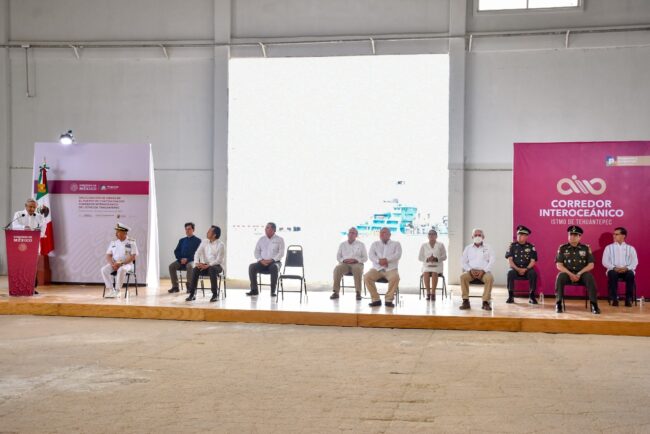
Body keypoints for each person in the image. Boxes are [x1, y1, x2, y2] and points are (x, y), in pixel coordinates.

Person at [555, 225, 600, 314]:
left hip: (582, 274)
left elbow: (591, 265)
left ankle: (594, 304)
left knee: (589, 277)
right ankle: (558, 303)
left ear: (580, 237)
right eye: (570, 234)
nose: (572, 237)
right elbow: (559, 265)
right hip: (568, 274)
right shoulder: (562, 248)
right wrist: (571, 274)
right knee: (560, 276)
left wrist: (579, 273)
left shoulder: (586, 248)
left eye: (575, 235)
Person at [11, 198, 49, 294]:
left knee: (32, 267)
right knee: (21, 266)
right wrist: (24, 228)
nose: (32, 209)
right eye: (30, 207)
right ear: (25, 206)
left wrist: (43, 221)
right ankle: (19, 287)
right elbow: (14, 226)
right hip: (20, 245)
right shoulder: (19, 214)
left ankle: (31, 288)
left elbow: (42, 232)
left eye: (34, 207)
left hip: (34, 245)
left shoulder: (39, 217)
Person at [186, 225, 225, 302]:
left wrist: (208, 265)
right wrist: (197, 263)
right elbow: (197, 253)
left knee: (212, 269)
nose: (207, 232)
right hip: (205, 265)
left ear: (214, 235)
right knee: (195, 269)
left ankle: (215, 295)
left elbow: (219, 260)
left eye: (209, 231)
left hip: (217, 266)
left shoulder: (221, 245)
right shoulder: (204, 241)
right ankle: (192, 294)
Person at [364, 227, 402, 308]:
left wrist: (386, 260)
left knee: (395, 277)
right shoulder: (375, 244)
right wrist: (379, 261)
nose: (381, 234)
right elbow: (371, 255)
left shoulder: (396, 244)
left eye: (384, 232)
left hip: (390, 269)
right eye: (380, 232)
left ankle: (388, 300)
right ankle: (376, 299)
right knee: (367, 276)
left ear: (389, 235)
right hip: (377, 269)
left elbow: (397, 255)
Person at [459, 228, 496, 311]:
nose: (477, 237)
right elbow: (463, 261)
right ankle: (465, 301)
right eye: (475, 235)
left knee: (490, 278)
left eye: (479, 235)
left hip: (484, 272)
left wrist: (484, 271)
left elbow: (492, 260)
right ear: (472, 237)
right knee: (463, 277)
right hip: (471, 272)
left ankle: (485, 302)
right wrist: (470, 270)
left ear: (483, 237)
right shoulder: (468, 248)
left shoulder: (488, 247)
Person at [602, 227, 638, 307]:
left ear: (623, 236)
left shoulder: (631, 248)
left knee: (631, 274)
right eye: (614, 234)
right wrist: (614, 268)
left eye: (616, 234)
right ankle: (614, 299)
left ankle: (628, 299)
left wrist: (627, 268)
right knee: (612, 274)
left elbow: (635, 262)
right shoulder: (608, 248)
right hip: (613, 269)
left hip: (626, 270)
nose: (614, 236)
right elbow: (604, 262)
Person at [247, 222, 285, 297]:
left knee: (274, 267)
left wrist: (272, 260)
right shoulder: (261, 239)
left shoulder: (280, 239)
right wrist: (261, 260)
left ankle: (273, 291)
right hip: (262, 263)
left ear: (273, 230)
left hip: (275, 262)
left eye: (267, 227)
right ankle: (254, 290)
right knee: (252, 266)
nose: (265, 229)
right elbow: (256, 252)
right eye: (265, 228)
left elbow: (281, 253)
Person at [101, 223, 138, 298]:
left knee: (121, 269)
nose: (116, 234)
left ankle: (118, 291)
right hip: (115, 264)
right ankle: (111, 290)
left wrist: (121, 264)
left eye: (118, 232)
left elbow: (133, 257)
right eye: (116, 232)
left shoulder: (131, 242)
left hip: (127, 265)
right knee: (104, 270)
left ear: (124, 233)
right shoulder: (113, 243)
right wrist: (112, 264)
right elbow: (108, 255)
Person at [331, 227, 368, 300]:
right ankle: (336, 292)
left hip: (357, 264)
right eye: (350, 232)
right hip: (344, 264)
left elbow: (365, 258)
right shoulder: (342, 244)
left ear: (356, 235)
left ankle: (358, 292)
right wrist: (344, 260)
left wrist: (356, 260)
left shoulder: (361, 244)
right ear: (347, 234)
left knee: (357, 269)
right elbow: (338, 257)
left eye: (353, 233)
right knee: (337, 268)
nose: (351, 234)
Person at [505, 225, 538, 304]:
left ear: (526, 236)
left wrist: (526, 269)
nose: (519, 236)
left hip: (527, 269)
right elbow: (510, 260)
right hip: (515, 269)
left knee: (533, 273)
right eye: (518, 234)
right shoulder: (512, 246)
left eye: (522, 234)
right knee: (510, 273)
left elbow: (533, 261)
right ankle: (511, 296)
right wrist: (518, 269)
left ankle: (531, 296)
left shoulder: (531, 247)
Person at [168, 222, 202, 294]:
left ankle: (190, 287)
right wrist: (180, 259)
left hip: (192, 260)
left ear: (193, 230)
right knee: (171, 266)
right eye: (186, 229)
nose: (187, 231)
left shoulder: (198, 241)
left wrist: (187, 259)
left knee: (190, 266)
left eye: (189, 229)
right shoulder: (182, 240)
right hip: (181, 261)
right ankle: (175, 287)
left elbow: (197, 254)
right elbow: (176, 251)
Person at [418, 229, 447, 301]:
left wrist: (436, 259)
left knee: (434, 272)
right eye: (430, 234)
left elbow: (444, 257)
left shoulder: (441, 245)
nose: (431, 235)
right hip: (427, 265)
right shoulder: (424, 245)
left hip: (437, 265)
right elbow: (420, 257)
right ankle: (428, 293)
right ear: (428, 236)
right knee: (426, 273)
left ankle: (433, 293)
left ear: (436, 236)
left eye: (433, 234)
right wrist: (427, 259)